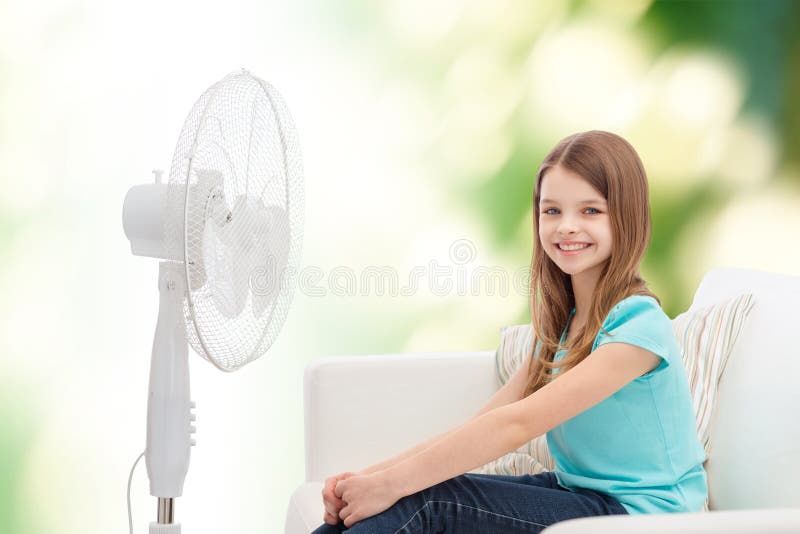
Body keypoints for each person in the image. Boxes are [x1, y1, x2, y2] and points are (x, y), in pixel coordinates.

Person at [311, 130, 707, 533]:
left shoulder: (638, 326)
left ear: (628, 216)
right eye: (552, 211)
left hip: (644, 518)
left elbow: (515, 425)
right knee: (403, 498)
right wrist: (365, 481)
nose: (567, 226)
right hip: (581, 495)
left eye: (590, 211)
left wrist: (389, 485)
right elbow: (488, 419)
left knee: (427, 500)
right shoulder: (563, 325)